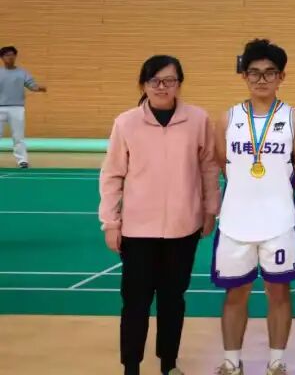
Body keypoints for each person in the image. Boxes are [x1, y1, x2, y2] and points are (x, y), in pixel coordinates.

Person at [98, 55, 220, 375]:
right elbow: (112, 175)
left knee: (172, 299)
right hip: (138, 231)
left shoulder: (198, 120)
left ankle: (169, 364)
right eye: (155, 81)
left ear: (179, 84)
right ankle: (131, 367)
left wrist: (210, 209)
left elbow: (209, 167)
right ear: (143, 84)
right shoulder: (126, 123)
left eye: (170, 80)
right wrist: (111, 222)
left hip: (184, 228)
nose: (162, 87)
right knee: (135, 302)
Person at [211, 39, 295, 375]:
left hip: (279, 222)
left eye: (270, 72)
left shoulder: (294, 120)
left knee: (278, 293)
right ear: (244, 76)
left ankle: (276, 362)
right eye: (254, 72)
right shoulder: (227, 119)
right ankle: (231, 362)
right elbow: (224, 164)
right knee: (235, 294)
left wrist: (275, 193)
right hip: (235, 222)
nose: (261, 79)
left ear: (281, 76)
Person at [0, 45, 47, 168]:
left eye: (12, 55)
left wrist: (39, 88)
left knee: (18, 136)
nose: (10, 57)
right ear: (2, 58)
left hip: (17, 108)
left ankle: (22, 161)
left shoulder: (22, 72)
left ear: (15, 56)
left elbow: (32, 85)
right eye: (7, 55)